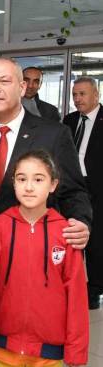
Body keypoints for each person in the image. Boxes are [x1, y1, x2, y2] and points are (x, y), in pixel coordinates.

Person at [0, 150, 88, 367]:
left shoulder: (66, 233)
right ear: (13, 183)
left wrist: (76, 347)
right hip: (3, 341)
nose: (29, 187)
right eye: (22, 179)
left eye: (38, 179)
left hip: (49, 346)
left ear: (54, 185)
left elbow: (77, 294)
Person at [0, 57, 91, 248]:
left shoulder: (54, 134)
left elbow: (73, 191)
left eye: (4, 81)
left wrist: (81, 221)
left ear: (22, 87)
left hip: (31, 245)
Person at [63, 76, 103, 309]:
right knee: (73, 235)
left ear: (96, 95)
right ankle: (72, 284)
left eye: (82, 94)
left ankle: (95, 288)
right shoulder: (69, 120)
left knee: (96, 239)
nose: (77, 99)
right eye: (75, 94)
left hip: (97, 186)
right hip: (73, 186)